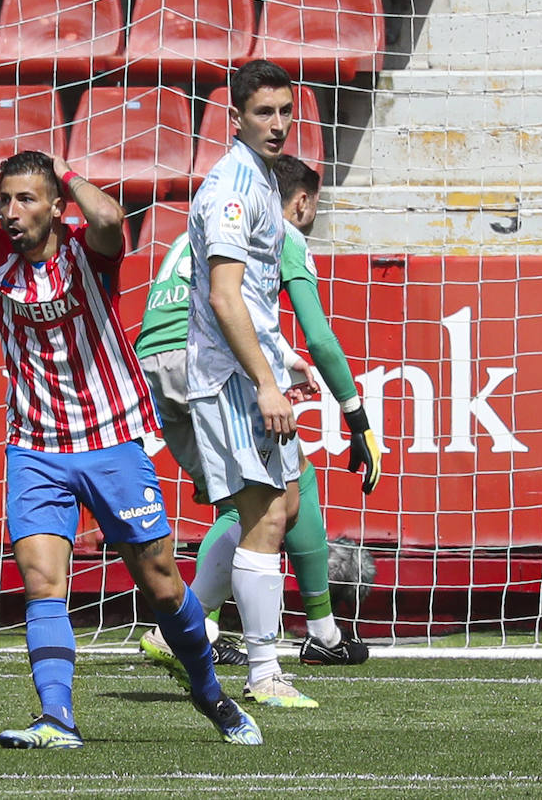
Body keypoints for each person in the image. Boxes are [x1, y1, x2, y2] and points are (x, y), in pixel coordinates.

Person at [0, 150, 262, 749]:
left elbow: (112, 218)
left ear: (57, 207)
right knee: (42, 582)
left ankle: (209, 691)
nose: (10, 213)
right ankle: (57, 718)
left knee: (163, 584)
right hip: (34, 447)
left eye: (26, 200)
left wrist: (59, 172)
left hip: (111, 439)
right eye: (4, 202)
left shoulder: (85, 250)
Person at [172, 59, 379, 710]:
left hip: (247, 371)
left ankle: (193, 635)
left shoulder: (261, 181)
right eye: (264, 112)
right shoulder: (234, 185)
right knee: (263, 518)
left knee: (274, 509)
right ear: (235, 116)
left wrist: (276, 364)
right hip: (232, 377)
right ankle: (260, 670)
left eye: (286, 112)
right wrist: (266, 381)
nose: (278, 124)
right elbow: (225, 295)